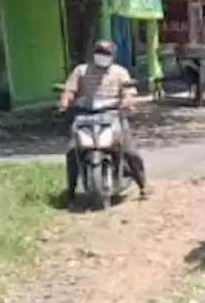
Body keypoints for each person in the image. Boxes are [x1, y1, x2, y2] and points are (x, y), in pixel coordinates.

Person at [57, 40, 148, 200]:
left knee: (129, 151)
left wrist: (127, 101)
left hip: (112, 115)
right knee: (72, 151)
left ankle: (143, 185)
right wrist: (65, 102)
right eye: (100, 52)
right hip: (85, 115)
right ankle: (70, 191)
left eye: (106, 54)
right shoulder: (81, 70)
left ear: (112, 56)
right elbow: (70, 90)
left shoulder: (120, 72)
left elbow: (128, 91)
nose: (102, 56)